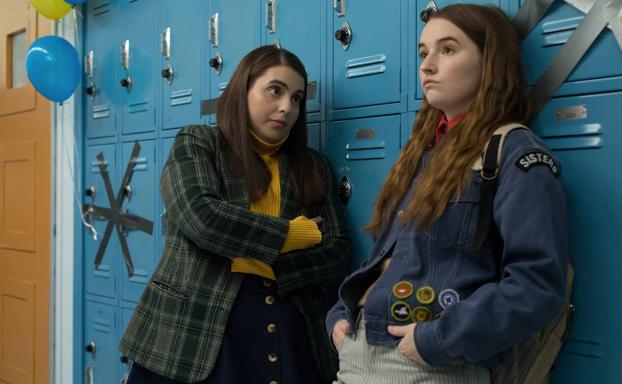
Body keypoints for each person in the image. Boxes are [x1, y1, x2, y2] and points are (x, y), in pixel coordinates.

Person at [326, 4, 568, 384]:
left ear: (490, 62)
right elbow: (393, 258)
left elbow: (536, 286)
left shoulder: (514, 152)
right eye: (423, 52)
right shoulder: (422, 153)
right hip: (357, 353)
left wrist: (436, 338)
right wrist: (341, 313)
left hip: (428, 366)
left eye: (448, 49)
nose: (427, 65)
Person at [120, 45, 350, 384]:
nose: (287, 107)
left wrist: (263, 262)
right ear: (242, 91)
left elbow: (337, 249)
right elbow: (201, 217)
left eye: (297, 98)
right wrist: (291, 236)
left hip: (289, 331)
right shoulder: (198, 143)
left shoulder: (313, 166)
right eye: (275, 90)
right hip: (190, 334)